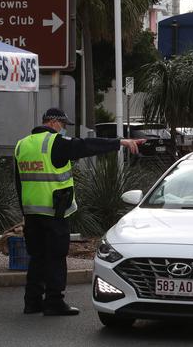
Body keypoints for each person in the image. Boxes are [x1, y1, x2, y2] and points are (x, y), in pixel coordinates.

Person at [14, 108, 145, 316]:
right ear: (53, 122)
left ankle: (32, 302)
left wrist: (24, 213)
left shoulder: (22, 145)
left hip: (31, 214)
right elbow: (86, 146)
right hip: (54, 213)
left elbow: (18, 183)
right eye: (63, 125)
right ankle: (54, 302)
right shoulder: (54, 142)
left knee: (37, 257)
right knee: (56, 257)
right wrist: (120, 142)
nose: (63, 129)